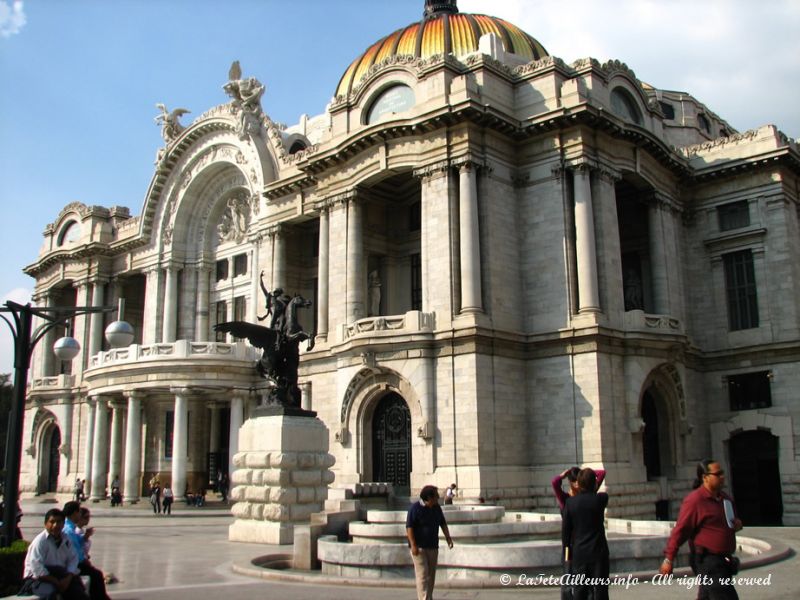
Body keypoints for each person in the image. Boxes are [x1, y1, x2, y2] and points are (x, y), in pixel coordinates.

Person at [660, 459, 743, 600]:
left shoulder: (725, 499)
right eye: (718, 474)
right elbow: (681, 530)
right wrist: (669, 558)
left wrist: (738, 524)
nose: (722, 476)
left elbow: (731, 523)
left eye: (722, 473)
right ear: (705, 477)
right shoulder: (695, 501)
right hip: (708, 561)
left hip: (725, 560)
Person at [561, 468, 610, 600]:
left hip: (579, 553)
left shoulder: (570, 503)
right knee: (601, 591)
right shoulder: (600, 499)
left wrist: (567, 550)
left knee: (580, 591)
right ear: (594, 484)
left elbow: (566, 532)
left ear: (578, 484)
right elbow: (601, 475)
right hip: (598, 553)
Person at [21, 508, 89, 599]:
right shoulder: (40, 541)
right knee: (50, 593)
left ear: (63, 524)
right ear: (45, 524)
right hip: (38, 579)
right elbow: (37, 568)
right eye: (52, 522)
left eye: (59, 522)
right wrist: (56, 581)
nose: (55, 525)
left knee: (79, 593)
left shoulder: (66, 539)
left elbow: (73, 559)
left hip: (60, 575)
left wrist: (68, 578)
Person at [406, 485, 454, 600]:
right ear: (429, 497)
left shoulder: (436, 507)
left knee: (431, 576)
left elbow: (442, 523)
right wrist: (413, 545)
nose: (438, 498)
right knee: (422, 575)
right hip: (419, 548)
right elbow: (409, 527)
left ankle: (428, 597)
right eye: (436, 496)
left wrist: (448, 538)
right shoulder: (415, 508)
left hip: (433, 546)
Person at [62, 502, 112, 600]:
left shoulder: (70, 528)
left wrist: (85, 536)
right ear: (74, 513)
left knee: (95, 574)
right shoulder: (68, 530)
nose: (80, 515)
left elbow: (77, 541)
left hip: (73, 562)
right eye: (79, 512)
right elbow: (74, 551)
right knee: (96, 575)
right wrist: (84, 560)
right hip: (73, 564)